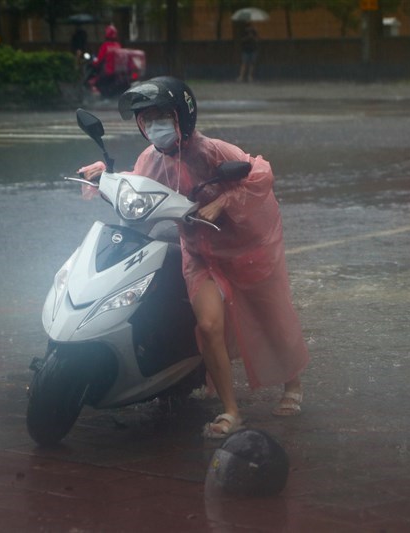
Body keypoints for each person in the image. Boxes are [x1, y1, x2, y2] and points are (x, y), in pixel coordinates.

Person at [78, 77, 310, 438]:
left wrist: (223, 201)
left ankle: (292, 383)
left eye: (161, 116)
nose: (154, 125)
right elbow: (141, 184)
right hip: (199, 252)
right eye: (146, 118)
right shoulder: (150, 158)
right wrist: (106, 176)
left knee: (269, 317)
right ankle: (232, 411)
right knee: (208, 326)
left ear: (182, 116)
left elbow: (261, 172)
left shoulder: (213, 150)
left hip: (244, 248)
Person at [90, 24, 123, 97]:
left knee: (93, 81)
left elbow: (99, 60)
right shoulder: (118, 45)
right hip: (117, 73)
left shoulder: (105, 46)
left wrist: (93, 63)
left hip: (106, 72)